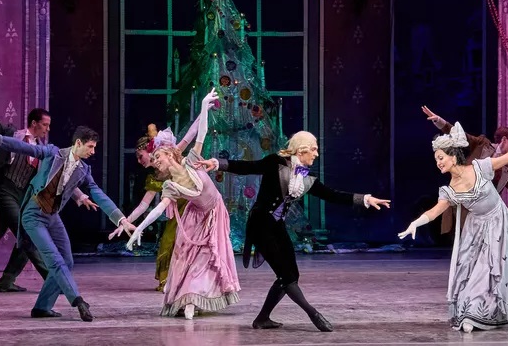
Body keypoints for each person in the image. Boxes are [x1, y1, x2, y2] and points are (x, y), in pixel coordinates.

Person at [193, 132, 391, 332]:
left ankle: (262, 318)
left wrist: (366, 199)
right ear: (302, 149)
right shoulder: (275, 162)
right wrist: (217, 163)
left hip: (276, 226)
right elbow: (248, 167)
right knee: (286, 276)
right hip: (260, 224)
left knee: (291, 274)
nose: (316, 154)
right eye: (313, 149)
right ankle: (313, 313)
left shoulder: (305, 177)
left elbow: (332, 195)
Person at [398, 122, 508, 332]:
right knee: (470, 269)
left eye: (441, 158)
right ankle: (471, 312)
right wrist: (415, 223)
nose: (438, 163)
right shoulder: (449, 190)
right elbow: (435, 211)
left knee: (490, 268)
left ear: (453, 156)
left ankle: (481, 313)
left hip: (498, 221)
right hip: (475, 227)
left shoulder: (480, 167)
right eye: (436, 159)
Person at [0, 122, 125, 321]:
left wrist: (120, 218)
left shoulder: (83, 170)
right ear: (78, 143)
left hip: (52, 216)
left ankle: (42, 307)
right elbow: (23, 147)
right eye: (90, 147)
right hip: (33, 215)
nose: (93, 151)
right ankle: (78, 300)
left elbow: (98, 193)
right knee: (55, 260)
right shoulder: (53, 153)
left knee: (67, 261)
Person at [0, 85, 98, 293]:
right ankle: (53, 279)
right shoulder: (13, 134)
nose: (48, 129)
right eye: (45, 125)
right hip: (5, 192)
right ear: (34, 123)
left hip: (23, 196)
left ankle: (7, 281)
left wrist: (81, 196)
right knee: (30, 235)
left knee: (26, 235)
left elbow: (60, 175)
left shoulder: (43, 150)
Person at [121, 90, 240, 318]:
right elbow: (157, 209)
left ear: (169, 154)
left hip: (214, 211)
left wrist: (204, 107)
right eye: (153, 160)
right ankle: (189, 299)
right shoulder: (170, 186)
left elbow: (200, 133)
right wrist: (139, 229)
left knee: (209, 255)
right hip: (195, 216)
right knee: (188, 257)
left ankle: (198, 297)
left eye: (157, 157)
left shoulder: (191, 161)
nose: (155, 162)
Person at [125, 106, 215, 292]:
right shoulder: (156, 177)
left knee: (191, 242)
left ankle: (195, 281)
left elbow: (193, 134)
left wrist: (204, 110)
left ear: (150, 151)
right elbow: (144, 206)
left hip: (193, 204)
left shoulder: (172, 155)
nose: (140, 161)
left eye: (140, 156)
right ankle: (170, 280)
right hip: (177, 210)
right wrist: (125, 222)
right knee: (168, 241)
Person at [421, 106, 508, 236]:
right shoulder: (482, 145)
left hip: (482, 214)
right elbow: (460, 135)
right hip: (463, 206)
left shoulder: (507, 169)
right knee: (462, 243)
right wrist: (439, 121)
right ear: (504, 140)